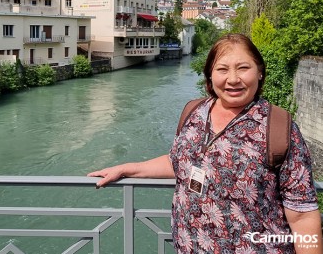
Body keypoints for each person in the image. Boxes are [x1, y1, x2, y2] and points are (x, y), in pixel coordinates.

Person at [88, 33, 322, 253]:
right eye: (222, 69)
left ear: (260, 72)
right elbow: (180, 162)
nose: (233, 79)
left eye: (243, 68)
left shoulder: (278, 126)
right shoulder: (195, 111)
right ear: (210, 75)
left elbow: (303, 215)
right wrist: (128, 169)